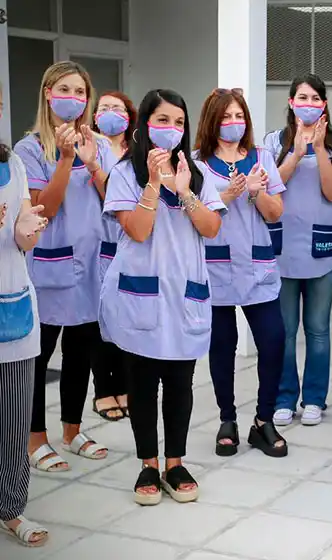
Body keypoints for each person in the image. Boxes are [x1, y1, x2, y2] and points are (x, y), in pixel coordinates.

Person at [99, 89, 225, 505]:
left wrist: (185, 190)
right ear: (145, 126)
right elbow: (137, 230)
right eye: (162, 120)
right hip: (142, 293)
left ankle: (176, 462)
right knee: (141, 383)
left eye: (178, 122)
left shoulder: (198, 172)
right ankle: (147, 464)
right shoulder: (124, 174)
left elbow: (210, 228)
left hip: (185, 293)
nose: (171, 129)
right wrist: (153, 184)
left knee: (179, 384)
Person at [14, 61, 115, 473]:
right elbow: (43, 209)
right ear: (48, 94)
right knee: (41, 355)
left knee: (82, 351)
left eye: (80, 92)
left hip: (92, 265)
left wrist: (91, 163)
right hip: (51, 267)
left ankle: (72, 430)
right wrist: (65, 157)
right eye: (65, 90)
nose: (73, 98)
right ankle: (34, 438)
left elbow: (115, 200)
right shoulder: (29, 149)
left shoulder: (102, 146)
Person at [194, 88, 288, 458]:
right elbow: (195, 215)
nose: (234, 123)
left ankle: (264, 421)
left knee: (273, 341)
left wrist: (253, 192)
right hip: (215, 267)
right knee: (222, 346)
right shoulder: (197, 162)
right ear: (212, 122)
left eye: (239, 116)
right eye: (226, 117)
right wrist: (229, 196)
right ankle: (227, 419)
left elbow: (276, 211)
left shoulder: (262, 157)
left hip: (258, 266)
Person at [264, 74, 332, 428]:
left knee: (317, 328)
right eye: (302, 97)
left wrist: (316, 148)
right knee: (284, 329)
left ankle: (314, 397)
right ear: (290, 101)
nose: (309, 104)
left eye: (315, 98)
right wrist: (297, 151)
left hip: (323, 248)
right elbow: (271, 186)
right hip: (283, 249)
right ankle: (284, 397)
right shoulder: (272, 142)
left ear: (324, 104)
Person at [0, 83, 51, 547]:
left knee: (14, 421)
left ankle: (11, 508)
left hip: (12, 311)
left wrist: (25, 229)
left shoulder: (12, 165)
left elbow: (19, 240)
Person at [90, 90, 138, 422]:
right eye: (103, 108)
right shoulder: (89, 149)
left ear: (129, 116)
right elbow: (109, 195)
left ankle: (123, 386)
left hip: (129, 244)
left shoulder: (136, 153)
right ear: (94, 116)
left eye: (116, 108)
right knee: (98, 320)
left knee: (125, 317)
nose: (109, 113)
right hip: (97, 245)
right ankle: (102, 391)